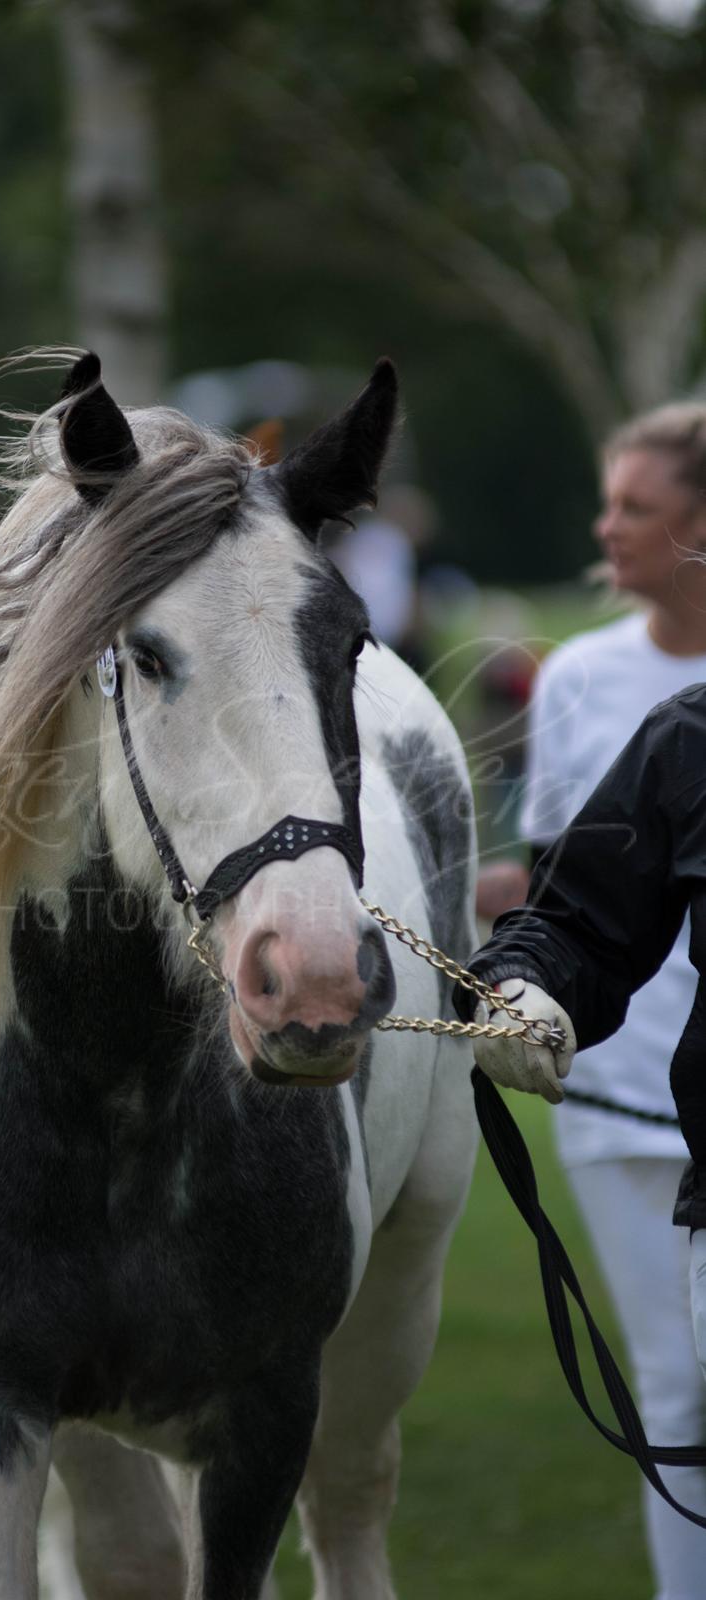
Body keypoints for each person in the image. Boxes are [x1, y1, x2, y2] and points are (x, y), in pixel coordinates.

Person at [472, 401, 706, 1600]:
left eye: (634, 505)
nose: (605, 527)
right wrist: (521, 978)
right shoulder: (658, 722)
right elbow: (577, 899)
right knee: (676, 1390)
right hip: (619, 1089)